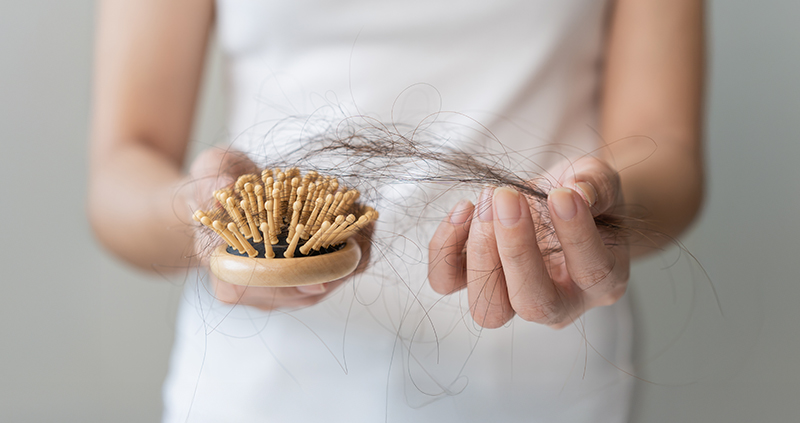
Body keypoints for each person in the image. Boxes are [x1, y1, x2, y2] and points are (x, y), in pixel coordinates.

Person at [88, 0, 704, 421]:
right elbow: (122, 167)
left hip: (543, 385)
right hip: (258, 390)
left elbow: (665, 149)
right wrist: (202, 220)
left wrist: (592, 215)